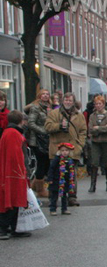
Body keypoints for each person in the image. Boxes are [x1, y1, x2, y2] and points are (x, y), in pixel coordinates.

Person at [45, 92, 87, 206]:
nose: (68, 102)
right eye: (66, 100)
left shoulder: (79, 115)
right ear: (63, 101)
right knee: (55, 174)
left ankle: (72, 197)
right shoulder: (54, 113)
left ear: (73, 102)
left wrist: (80, 145)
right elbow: (47, 127)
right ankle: (52, 198)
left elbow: (83, 131)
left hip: (73, 150)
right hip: (57, 149)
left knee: (71, 174)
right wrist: (59, 126)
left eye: (70, 101)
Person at [0, 110, 31, 240]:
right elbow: (15, 156)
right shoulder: (13, 133)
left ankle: (15, 227)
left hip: (12, 172)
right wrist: (22, 172)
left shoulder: (9, 132)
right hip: (14, 173)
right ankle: (4, 228)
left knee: (14, 200)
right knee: (12, 200)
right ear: (20, 120)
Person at [26, 88, 52, 198]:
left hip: (46, 140)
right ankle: (40, 190)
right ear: (39, 96)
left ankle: (34, 186)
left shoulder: (49, 107)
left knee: (46, 163)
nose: (45, 96)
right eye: (43, 94)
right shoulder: (35, 108)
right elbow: (31, 123)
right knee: (42, 163)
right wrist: (44, 131)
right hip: (37, 141)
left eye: (47, 94)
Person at [87, 95, 107, 193]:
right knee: (94, 162)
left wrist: (98, 128)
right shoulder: (92, 116)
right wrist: (101, 128)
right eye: (96, 104)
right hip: (96, 142)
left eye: (100, 104)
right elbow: (90, 129)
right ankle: (93, 185)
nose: (98, 106)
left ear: (103, 104)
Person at [46, 142, 77, 216]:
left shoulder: (70, 160)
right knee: (54, 196)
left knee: (64, 196)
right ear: (59, 151)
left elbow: (71, 171)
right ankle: (52, 209)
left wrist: (71, 180)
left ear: (69, 152)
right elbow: (51, 169)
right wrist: (50, 179)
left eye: (66, 150)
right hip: (56, 180)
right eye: (62, 150)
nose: (64, 152)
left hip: (65, 181)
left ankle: (64, 209)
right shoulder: (57, 159)